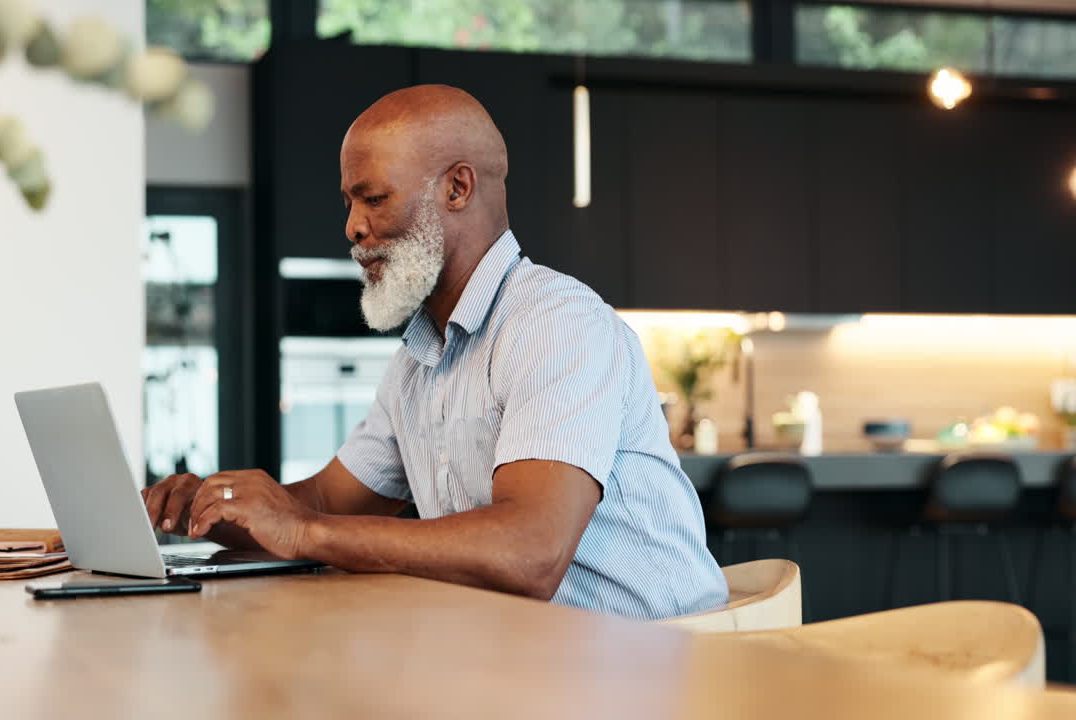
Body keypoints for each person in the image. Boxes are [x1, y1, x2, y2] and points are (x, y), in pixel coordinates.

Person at [143, 84, 728, 619]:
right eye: (349, 202)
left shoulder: (554, 323)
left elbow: (531, 552)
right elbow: (324, 501)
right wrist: (210, 507)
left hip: (656, 663)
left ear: (457, 187)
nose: (352, 227)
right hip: (533, 658)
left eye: (372, 198)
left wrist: (304, 532)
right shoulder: (419, 361)